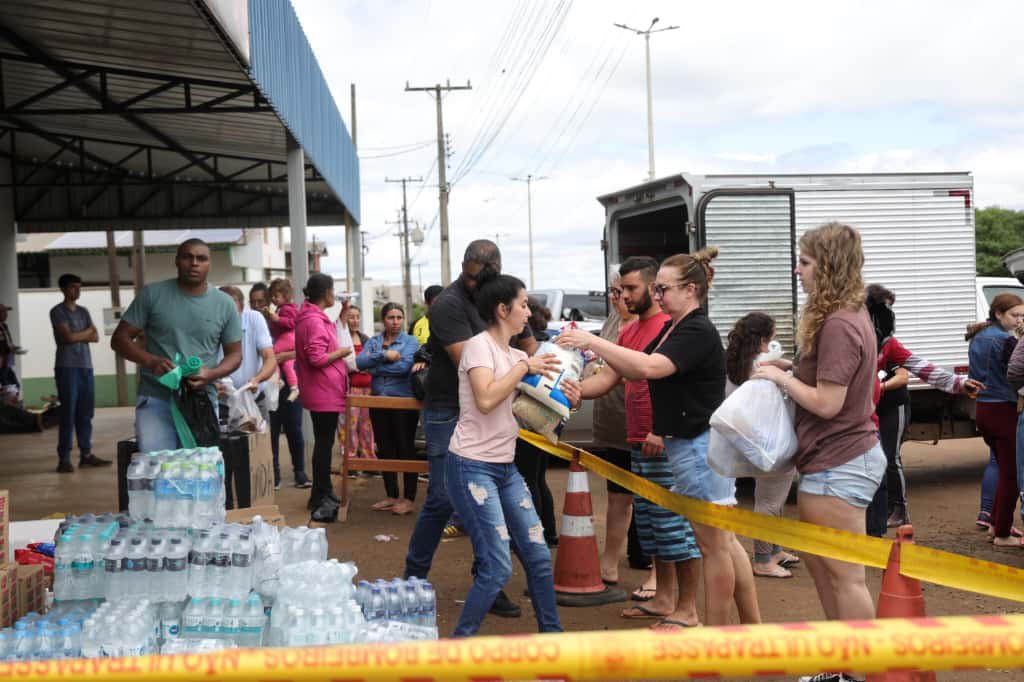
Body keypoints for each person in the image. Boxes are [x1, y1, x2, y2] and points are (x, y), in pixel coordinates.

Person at [753, 224, 883, 667]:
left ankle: (857, 671)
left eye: (805, 262)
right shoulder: (844, 316)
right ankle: (843, 667)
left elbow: (828, 402)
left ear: (827, 267)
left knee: (845, 577)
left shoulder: (840, 324)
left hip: (840, 460)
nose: (797, 271)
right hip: (834, 459)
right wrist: (792, 365)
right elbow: (831, 379)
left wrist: (782, 378)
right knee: (826, 570)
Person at [573, 255, 707, 629]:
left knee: (675, 529)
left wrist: (660, 431)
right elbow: (608, 379)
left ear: (652, 287)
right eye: (621, 288)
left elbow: (669, 382)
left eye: (631, 288)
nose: (623, 296)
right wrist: (574, 392)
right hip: (638, 440)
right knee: (651, 528)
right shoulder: (630, 331)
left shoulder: (670, 328)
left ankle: (687, 609)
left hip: (665, 443)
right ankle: (665, 599)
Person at [446, 271, 572, 636]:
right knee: (498, 567)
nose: (528, 313)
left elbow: (535, 411)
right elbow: (486, 399)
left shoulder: (517, 353)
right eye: (523, 305)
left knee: (538, 556)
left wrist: (565, 400)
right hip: (471, 466)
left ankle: (554, 638)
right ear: (503, 310)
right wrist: (523, 368)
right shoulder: (478, 347)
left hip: (504, 467)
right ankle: (458, 646)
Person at [404, 239, 521, 619]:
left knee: (489, 499)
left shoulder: (499, 299)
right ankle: (413, 579)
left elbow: (524, 343)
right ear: (465, 266)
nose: (478, 284)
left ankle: (489, 582)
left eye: (486, 278)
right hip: (448, 410)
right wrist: (520, 369)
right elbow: (469, 363)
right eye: (474, 278)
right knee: (441, 498)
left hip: (488, 411)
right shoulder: (449, 305)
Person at [864, 284, 985, 531]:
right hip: (865, 411)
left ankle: (899, 510)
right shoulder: (851, 336)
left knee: (889, 457)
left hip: (892, 405)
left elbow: (922, 367)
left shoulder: (889, 344)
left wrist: (958, 383)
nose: (889, 315)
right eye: (884, 308)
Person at [111, 239, 242, 453]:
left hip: (202, 402)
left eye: (201, 258)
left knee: (200, 473)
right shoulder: (152, 295)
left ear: (210, 264)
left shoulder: (224, 303)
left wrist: (211, 374)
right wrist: (151, 361)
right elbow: (119, 339)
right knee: (157, 471)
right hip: (156, 400)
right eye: (187, 257)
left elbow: (235, 354)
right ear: (177, 261)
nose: (194, 263)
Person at [725, 312, 800, 577]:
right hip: (770, 441)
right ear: (762, 339)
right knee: (769, 500)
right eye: (772, 337)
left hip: (750, 440)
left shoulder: (738, 361)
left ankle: (774, 550)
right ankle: (762, 559)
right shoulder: (761, 366)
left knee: (771, 497)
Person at [586, 271, 646, 585]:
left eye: (622, 290)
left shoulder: (646, 325)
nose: (616, 297)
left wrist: (603, 370)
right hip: (611, 422)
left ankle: (644, 560)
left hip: (639, 425)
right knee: (618, 496)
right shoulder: (612, 323)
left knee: (645, 498)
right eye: (611, 291)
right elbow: (599, 368)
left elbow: (634, 371)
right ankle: (611, 561)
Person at [965, 293, 1024, 547]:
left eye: (1023, 315)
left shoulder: (979, 335)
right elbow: (1015, 372)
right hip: (1003, 409)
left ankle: (994, 523)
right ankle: (1001, 533)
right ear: (998, 314)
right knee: (1011, 473)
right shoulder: (1005, 340)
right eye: (1015, 315)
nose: (1020, 320)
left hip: (982, 408)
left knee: (999, 466)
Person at [295, 273, 351, 521]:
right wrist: (341, 352)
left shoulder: (314, 317)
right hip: (323, 391)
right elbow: (317, 358)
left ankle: (322, 491)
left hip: (323, 390)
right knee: (323, 445)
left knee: (324, 444)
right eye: (333, 290)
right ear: (326, 293)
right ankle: (320, 495)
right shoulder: (313, 321)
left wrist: (343, 312)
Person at [358, 302, 421, 515]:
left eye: (399, 317)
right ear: (383, 320)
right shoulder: (374, 341)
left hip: (403, 402)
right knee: (384, 447)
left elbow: (404, 368)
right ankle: (391, 495)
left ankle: (409, 498)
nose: (395, 322)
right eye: (391, 317)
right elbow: (359, 362)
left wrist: (374, 367)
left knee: (405, 447)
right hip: (378, 402)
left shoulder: (411, 341)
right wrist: (384, 356)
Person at [49, 273, 108, 472]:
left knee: (85, 413)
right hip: (67, 367)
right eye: (74, 287)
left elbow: (96, 336)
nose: (78, 290)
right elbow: (67, 338)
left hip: (85, 366)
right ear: (64, 289)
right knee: (68, 413)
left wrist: (78, 335)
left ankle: (86, 454)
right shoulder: (57, 311)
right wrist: (84, 334)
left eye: (79, 286)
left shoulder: (84, 311)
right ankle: (64, 459)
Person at [513, 298, 558, 546]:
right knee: (538, 478)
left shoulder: (531, 352)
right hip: (539, 417)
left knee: (529, 479)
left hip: (526, 418)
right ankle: (548, 533)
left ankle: (538, 535)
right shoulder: (547, 346)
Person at [217, 286, 278, 426]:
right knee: (226, 446)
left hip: (255, 400)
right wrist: (212, 385)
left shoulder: (254, 319)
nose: (227, 314)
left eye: (232, 308)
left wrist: (258, 378)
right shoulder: (209, 325)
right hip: (222, 404)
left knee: (260, 445)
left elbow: (270, 357)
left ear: (242, 307)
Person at [338, 305, 376, 461]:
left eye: (356, 317)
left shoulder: (366, 339)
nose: (354, 320)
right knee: (349, 426)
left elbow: (373, 361)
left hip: (368, 388)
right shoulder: (340, 339)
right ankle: (350, 460)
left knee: (367, 426)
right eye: (350, 316)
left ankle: (369, 459)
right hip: (350, 389)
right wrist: (356, 368)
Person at [265, 279, 300, 403]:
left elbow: (292, 323)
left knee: (271, 355)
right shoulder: (282, 308)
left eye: (276, 296)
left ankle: (278, 380)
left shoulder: (286, 309)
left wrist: (277, 319)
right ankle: (294, 387)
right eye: (272, 296)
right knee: (287, 365)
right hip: (289, 340)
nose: (273, 299)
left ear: (285, 296)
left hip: (287, 338)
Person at [0, 303, 23, 390]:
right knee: (9, 388)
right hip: (2, 363)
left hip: (7, 362)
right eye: (3, 312)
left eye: (6, 312)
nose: (6, 314)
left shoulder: (4, 326)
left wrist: (13, 347)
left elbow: (6, 342)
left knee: (15, 386)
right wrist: (10, 349)